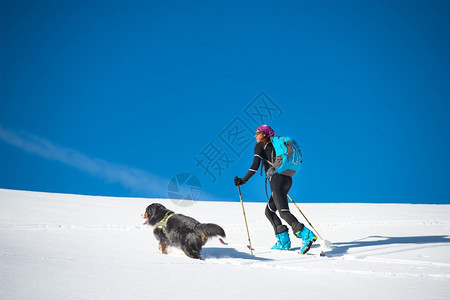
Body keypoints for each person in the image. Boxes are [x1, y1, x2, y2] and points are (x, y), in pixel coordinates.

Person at [234, 125, 317, 254]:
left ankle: (306, 235)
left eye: (257, 132)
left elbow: (255, 166)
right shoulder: (276, 146)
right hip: (287, 179)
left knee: (283, 212)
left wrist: (243, 180)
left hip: (277, 180)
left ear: (265, 134)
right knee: (270, 211)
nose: (255, 135)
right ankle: (284, 241)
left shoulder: (260, 146)